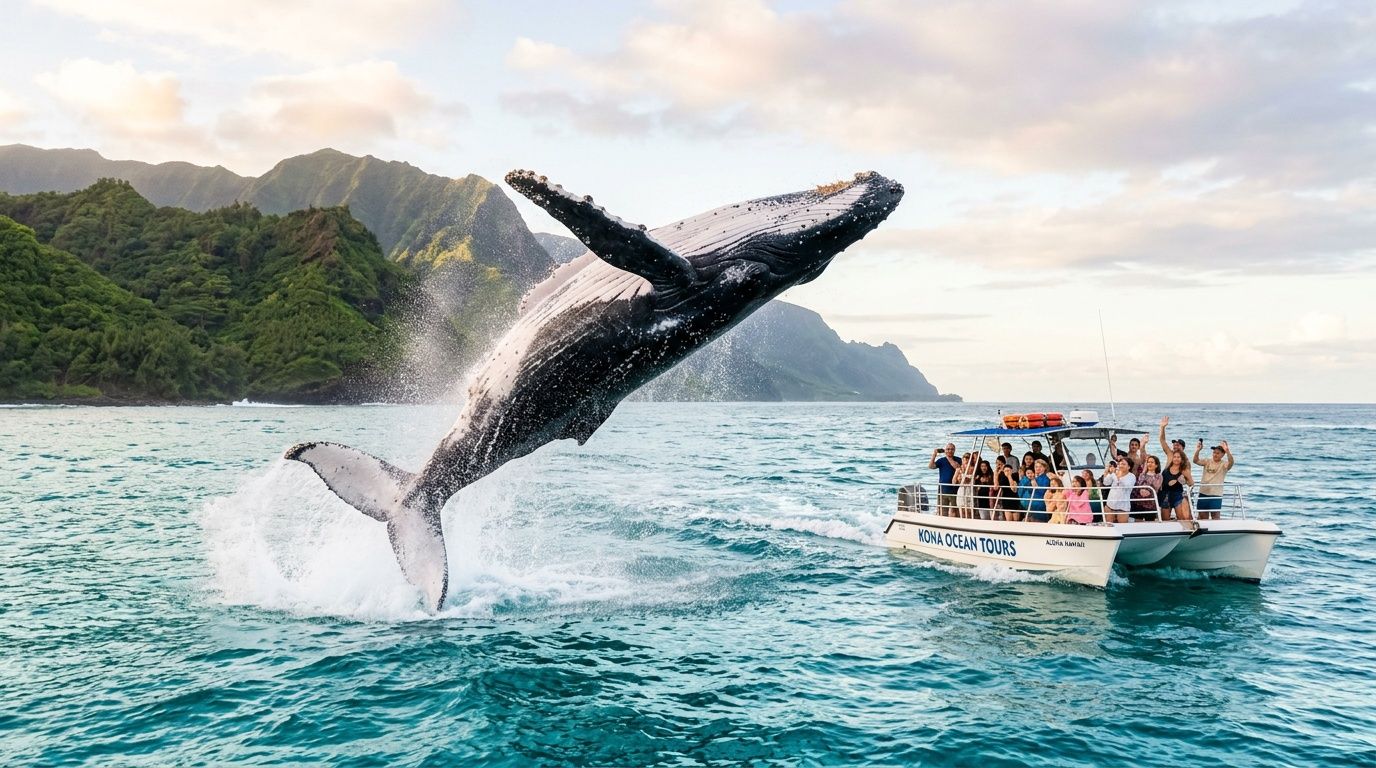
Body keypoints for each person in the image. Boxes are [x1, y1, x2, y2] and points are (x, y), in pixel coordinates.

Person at [1158, 417, 1194, 518]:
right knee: (1165, 518)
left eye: (1178, 445)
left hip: (1177, 493)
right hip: (1164, 492)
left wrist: (1183, 481)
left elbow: (1189, 481)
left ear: (1183, 448)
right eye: (1174, 445)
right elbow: (1162, 440)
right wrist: (1162, 427)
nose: (1175, 446)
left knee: (1183, 517)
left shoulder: (1186, 463)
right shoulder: (1170, 455)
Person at [1193, 440, 1234, 520]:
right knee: (1202, 516)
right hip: (1203, 492)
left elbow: (1231, 462)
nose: (1215, 454)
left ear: (1223, 454)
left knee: (1215, 516)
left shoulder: (1224, 464)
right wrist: (1198, 450)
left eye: (1218, 453)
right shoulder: (1207, 461)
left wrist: (1227, 451)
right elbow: (1195, 461)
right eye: (1214, 452)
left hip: (1215, 494)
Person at [929, 444, 962, 516]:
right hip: (943, 488)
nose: (950, 451)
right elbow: (931, 466)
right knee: (943, 510)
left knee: (955, 509)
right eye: (948, 449)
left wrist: (948, 456)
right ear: (945, 450)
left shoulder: (958, 459)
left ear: (954, 450)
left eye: (952, 449)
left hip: (954, 489)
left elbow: (956, 466)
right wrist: (934, 455)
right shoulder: (941, 460)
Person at [1159, 450, 1193, 522]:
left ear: (1182, 459)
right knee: (1165, 521)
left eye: (1178, 457)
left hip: (1177, 496)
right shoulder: (1167, 468)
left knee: (1181, 518)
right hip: (1165, 496)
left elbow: (1191, 483)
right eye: (1174, 457)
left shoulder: (1184, 470)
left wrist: (1183, 481)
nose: (1176, 459)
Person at [1102, 458, 1135, 524]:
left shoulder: (1132, 476)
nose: (1120, 465)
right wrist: (1108, 473)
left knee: (1123, 527)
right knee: (1109, 526)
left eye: (1123, 464)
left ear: (1129, 467)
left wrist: (1118, 477)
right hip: (1110, 505)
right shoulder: (1115, 473)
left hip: (1123, 507)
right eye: (1119, 464)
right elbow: (1106, 483)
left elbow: (1127, 486)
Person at [995, 456, 1022, 522]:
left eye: (1008, 470)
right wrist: (995, 474)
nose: (1007, 472)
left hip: (1014, 499)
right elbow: (996, 486)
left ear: (1011, 470)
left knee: (1015, 520)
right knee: (1009, 520)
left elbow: (1014, 489)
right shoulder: (1002, 477)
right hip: (1006, 499)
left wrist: (1009, 476)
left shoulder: (1014, 476)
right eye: (1005, 471)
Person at [955, 452, 976, 519]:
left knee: (970, 510)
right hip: (962, 489)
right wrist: (959, 477)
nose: (966, 460)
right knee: (961, 508)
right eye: (964, 458)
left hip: (970, 490)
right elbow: (954, 481)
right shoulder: (959, 469)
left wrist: (964, 474)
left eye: (967, 458)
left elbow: (968, 480)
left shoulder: (973, 469)